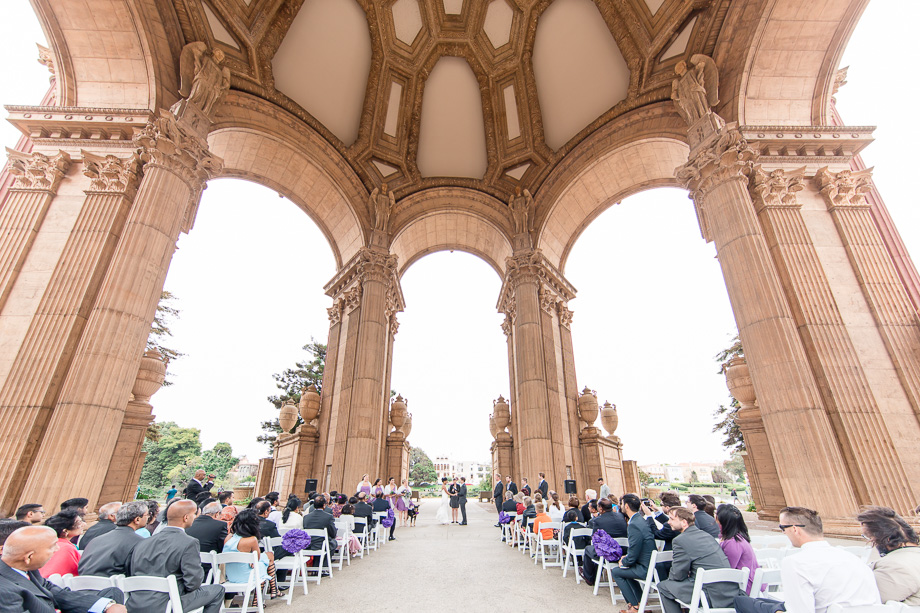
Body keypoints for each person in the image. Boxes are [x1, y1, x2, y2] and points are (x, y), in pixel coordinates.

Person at [734, 506, 880, 613]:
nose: (783, 532)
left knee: (742, 602)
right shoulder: (854, 559)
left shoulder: (796, 562)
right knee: (760, 603)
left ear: (795, 529)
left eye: (782, 528)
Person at [0, 525, 127, 613]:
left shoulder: (27, 569)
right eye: (52, 547)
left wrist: (106, 605)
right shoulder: (5, 591)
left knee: (112, 594)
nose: (57, 549)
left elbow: (55, 592)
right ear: (29, 557)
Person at [129, 499, 225, 612]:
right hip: (169, 602)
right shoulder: (189, 542)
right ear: (186, 517)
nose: (196, 517)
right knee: (217, 590)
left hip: (136, 601)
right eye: (195, 514)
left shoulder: (144, 542)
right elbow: (193, 582)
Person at [658, 507, 742, 613]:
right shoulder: (707, 535)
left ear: (684, 522)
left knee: (664, 587)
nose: (668, 522)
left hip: (708, 594)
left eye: (671, 519)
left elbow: (677, 575)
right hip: (729, 592)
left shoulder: (679, 540)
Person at [858, 505, 920, 604]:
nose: (870, 541)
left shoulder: (896, 567)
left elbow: (864, 599)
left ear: (887, 539)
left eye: (869, 537)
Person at [608, 494, 655, 613]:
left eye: (622, 504)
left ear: (627, 506)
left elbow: (633, 552)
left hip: (645, 567)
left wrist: (623, 560)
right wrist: (626, 560)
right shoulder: (640, 520)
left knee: (617, 572)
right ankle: (641, 602)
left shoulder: (634, 524)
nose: (621, 506)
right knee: (626, 569)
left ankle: (635, 606)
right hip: (649, 564)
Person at [222, 509, 284, 601]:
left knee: (265, 560)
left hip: (232, 576)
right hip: (247, 577)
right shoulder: (252, 540)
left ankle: (274, 590)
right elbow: (257, 559)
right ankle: (270, 592)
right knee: (265, 561)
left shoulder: (228, 538)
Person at [78, 501, 148, 577]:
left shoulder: (96, 540)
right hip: (112, 586)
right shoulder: (140, 543)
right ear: (137, 519)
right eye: (147, 515)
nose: (148, 517)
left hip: (82, 584)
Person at [579, 498, 628, 585]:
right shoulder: (620, 516)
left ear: (601, 508)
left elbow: (594, 537)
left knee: (588, 549)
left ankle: (589, 577)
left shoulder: (598, 520)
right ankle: (595, 573)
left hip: (608, 552)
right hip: (623, 549)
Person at [716, 504, 759, 594]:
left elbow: (728, 569)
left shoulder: (733, 542)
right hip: (745, 582)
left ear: (724, 522)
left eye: (717, 519)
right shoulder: (738, 537)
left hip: (743, 587)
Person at [40, 509, 84, 578]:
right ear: (65, 531)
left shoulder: (49, 543)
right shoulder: (66, 548)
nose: (83, 524)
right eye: (79, 523)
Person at [185, 500, 228, 567]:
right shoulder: (220, 525)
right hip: (209, 566)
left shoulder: (191, 523)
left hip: (189, 562)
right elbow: (223, 547)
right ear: (217, 514)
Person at [302, 495, 338, 570]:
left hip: (308, 544)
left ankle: (316, 566)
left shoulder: (306, 517)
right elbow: (333, 533)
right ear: (324, 505)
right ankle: (323, 568)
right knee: (333, 543)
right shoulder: (328, 517)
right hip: (322, 544)